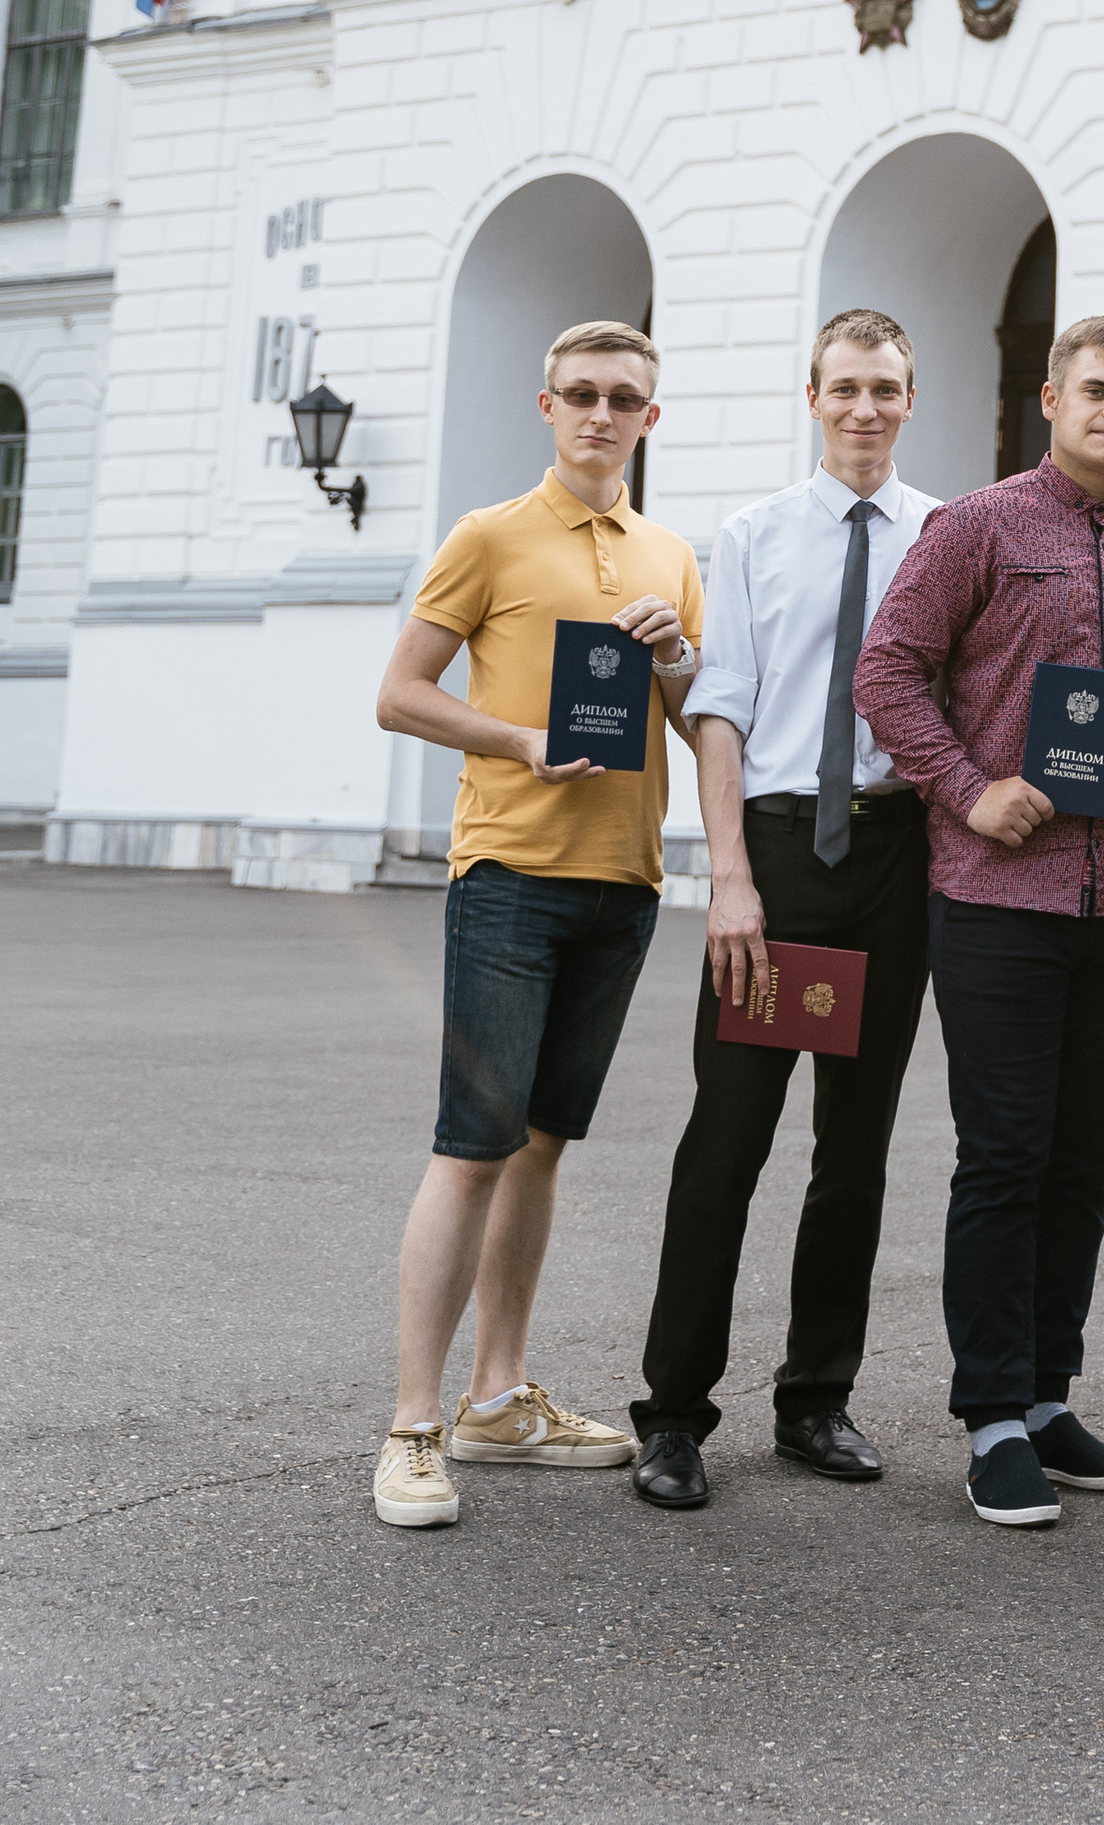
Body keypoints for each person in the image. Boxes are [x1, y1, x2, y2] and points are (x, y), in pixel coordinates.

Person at [854, 314, 1104, 1530]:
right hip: (998, 895)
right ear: (1050, 398)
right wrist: (968, 786)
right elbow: (887, 670)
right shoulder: (976, 527)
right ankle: (991, 1415)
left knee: (1086, 1155)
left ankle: (1050, 1398)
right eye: (1097, 390)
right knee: (1003, 1154)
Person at [369, 320, 703, 1531]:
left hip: (625, 883)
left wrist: (676, 662)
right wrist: (519, 742)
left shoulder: (669, 553)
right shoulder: (490, 536)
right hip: (509, 872)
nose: (601, 415)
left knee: (544, 1144)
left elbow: (690, 720)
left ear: (649, 419)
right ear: (547, 405)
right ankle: (412, 1427)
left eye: (624, 399)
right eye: (581, 396)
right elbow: (399, 694)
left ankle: (496, 1398)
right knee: (473, 1144)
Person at [627, 309, 939, 1509]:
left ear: (913, 399)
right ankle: (672, 1415)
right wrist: (732, 882)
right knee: (729, 1144)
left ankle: (817, 1399)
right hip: (781, 858)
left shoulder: (944, 536)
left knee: (852, 1152)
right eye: (847, 387)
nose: (866, 408)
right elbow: (724, 712)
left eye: (887, 389)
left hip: (893, 859)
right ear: (812, 395)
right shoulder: (754, 535)